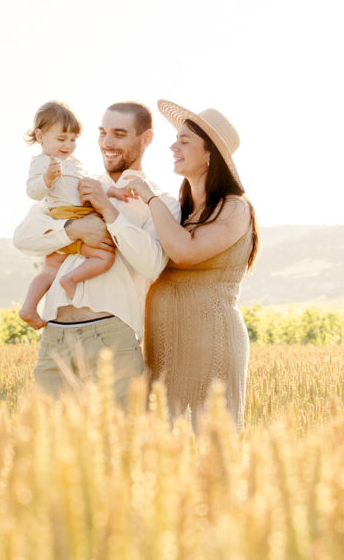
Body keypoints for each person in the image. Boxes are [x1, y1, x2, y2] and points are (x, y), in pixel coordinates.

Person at [13, 101, 181, 404]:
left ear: (146, 139)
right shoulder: (69, 186)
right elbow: (23, 239)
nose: (107, 142)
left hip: (111, 339)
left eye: (119, 134)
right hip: (55, 336)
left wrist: (108, 211)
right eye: (102, 133)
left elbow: (153, 265)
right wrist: (72, 230)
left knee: (118, 432)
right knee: (49, 433)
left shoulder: (161, 202)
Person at [121, 100, 258, 429]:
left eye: (184, 141)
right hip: (164, 347)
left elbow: (185, 252)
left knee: (210, 440)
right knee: (163, 443)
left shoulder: (234, 208)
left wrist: (150, 198)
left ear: (210, 154)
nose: (173, 147)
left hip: (211, 343)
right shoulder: (179, 210)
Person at [18, 101, 133, 329]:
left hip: (73, 219)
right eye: (61, 139)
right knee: (104, 256)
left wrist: (113, 191)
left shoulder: (74, 163)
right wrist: (46, 179)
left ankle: (28, 309)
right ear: (40, 136)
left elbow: (91, 184)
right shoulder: (42, 162)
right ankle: (69, 280)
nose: (68, 145)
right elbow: (32, 191)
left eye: (73, 140)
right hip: (68, 217)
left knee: (50, 269)